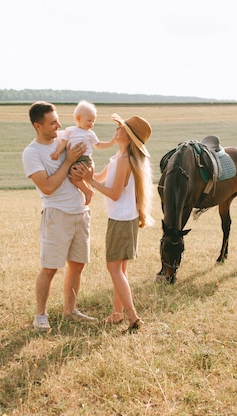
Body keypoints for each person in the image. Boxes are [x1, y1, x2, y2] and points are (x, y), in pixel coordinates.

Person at [72, 113, 154, 333]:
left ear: (127, 136)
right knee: (121, 269)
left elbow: (115, 193)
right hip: (122, 218)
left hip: (122, 219)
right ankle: (117, 313)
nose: (116, 129)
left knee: (114, 268)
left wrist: (88, 181)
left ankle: (132, 317)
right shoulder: (117, 159)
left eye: (121, 127)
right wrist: (84, 173)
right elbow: (99, 179)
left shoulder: (126, 161)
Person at [21, 101, 98, 332]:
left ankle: (70, 310)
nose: (59, 125)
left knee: (77, 265)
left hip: (80, 212)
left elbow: (88, 167)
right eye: (53, 122)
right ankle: (40, 315)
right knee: (50, 267)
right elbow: (48, 187)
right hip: (56, 214)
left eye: (58, 120)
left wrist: (87, 173)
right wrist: (68, 161)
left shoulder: (67, 139)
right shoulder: (32, 153)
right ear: (38, 125)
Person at [51, 100, 115, 205]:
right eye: (89, 120)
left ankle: (87, 191)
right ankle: (88, 189)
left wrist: (109, 143)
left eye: (93, 121)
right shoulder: (70, 130)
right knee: (76, 176)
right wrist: (57, 152)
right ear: (78, 118)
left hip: (84, 159)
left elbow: (98, 145)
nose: (92, 124)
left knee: (74, 177)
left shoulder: (90, 134)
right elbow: (63, 143)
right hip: (73, 159)